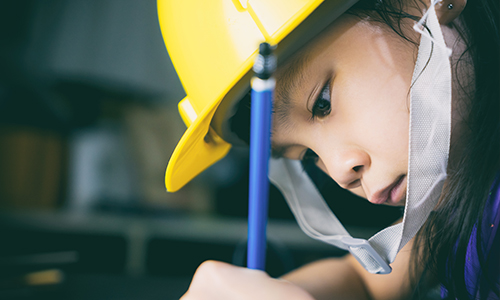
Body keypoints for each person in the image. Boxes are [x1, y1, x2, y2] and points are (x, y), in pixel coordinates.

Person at [158, 0, 499, 299]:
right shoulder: (456, 216)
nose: (337, 171)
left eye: (322, 103)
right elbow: (362, 283)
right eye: (308, 156)